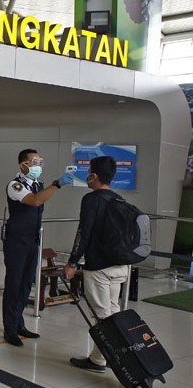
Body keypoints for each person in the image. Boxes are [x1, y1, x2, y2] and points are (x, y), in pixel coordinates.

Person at [63, 155, 129, 372]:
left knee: (101, 316)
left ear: (93, 175)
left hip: (99, 268)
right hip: (120, 266)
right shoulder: (119, 199)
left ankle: (109, 359)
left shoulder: (91, 200)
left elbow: (84, 234)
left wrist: (72, 262)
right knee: (112, 311)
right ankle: (103, 357)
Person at [2, 149, 73, 346]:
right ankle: (9, 329)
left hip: (32, 240)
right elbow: (35, 201)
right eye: (33, 161)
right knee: (14, 284)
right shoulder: (15, 185)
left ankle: (19, 323)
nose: (37, 165)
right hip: (16, 241)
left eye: (40, 161)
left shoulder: (37, 184)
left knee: (26, 284)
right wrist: (57, 184)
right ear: (22, 165)